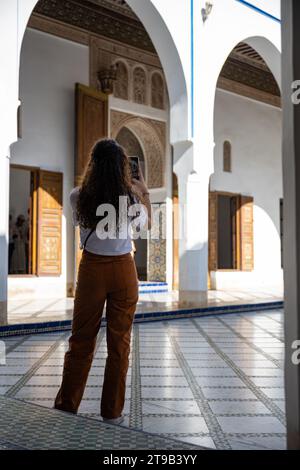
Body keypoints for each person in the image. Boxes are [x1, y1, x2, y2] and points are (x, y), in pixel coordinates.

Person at [54, 139, 151, 425]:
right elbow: (146, 226)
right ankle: (112, 412)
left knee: (81, 341)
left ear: (93, 165)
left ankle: (66, 406)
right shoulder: (131, 200)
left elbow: (77, 223)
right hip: (124, 271)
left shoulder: (77, 196)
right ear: (123, 168)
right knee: (119, 344)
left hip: (92, 272)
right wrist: (141, 188)